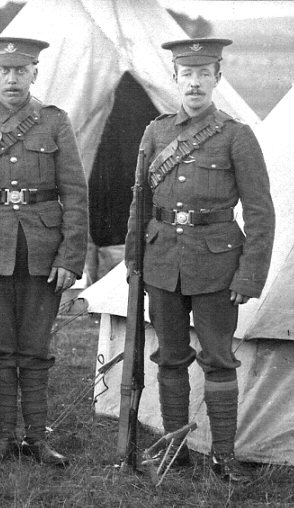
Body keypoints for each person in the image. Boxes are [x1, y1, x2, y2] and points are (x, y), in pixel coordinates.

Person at [125, 38, 274, 482]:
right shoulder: (156, 132)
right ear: (175, 78)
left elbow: (261, 211)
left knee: (218, 358)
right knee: (170, 356)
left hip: (217, 265)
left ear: (217, 78)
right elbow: (140, 203)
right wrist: (136, 261)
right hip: (162, 262)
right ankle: (176, 449)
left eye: (203, 74)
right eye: (186, 74)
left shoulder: (236, 134)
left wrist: (250, 275)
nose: (194, 83)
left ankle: (223, 456)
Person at [0, 37, 88, 466]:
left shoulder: (54, 122)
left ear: (34, 74)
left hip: (43, 251)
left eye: (21, 71)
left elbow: (75, 194)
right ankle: (4, 437)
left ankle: (38, 439)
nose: (12, 78)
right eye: (4, 70)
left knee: (37, 346)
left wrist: (70, 257)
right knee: (1, 344)